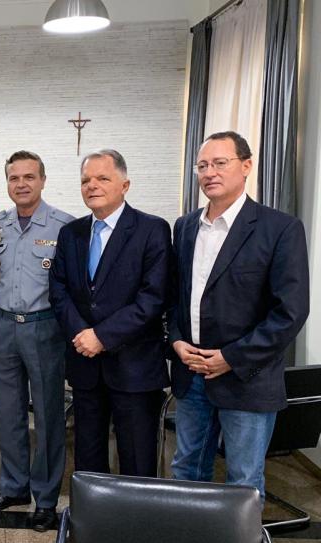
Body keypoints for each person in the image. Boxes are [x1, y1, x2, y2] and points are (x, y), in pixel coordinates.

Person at [169, 131, 309, 502]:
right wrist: (176, 340)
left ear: (246, 166)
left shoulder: (279, 228)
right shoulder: (184, 227)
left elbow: (290, 312)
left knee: (243, 482)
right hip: (191, 370)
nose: (209, 172)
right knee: (185, 471)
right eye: (202, 165)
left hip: (247, 376)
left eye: (220, 163)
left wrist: (231, 358)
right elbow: (175, 298)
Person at [49, 149, 171, 478]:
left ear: (125, 184)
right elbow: (58, 290)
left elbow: (153, 298)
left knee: (136, 457)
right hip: (85, 364)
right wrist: (82, 336)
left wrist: (101, 336)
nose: (92, 185)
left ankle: (136, 527)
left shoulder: (152, 229)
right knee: (88, 455)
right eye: (86, 180)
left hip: (134, 366)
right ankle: (93, 523)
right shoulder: (71, 233)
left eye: (103, 178)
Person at [0, 151, 73, 532]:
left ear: (43, 180)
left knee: (48, 415)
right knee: (8, 412)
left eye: (29, 177)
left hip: (44, 327)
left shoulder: (64, 226)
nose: (22, 184)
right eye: (14, 178)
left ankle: (45, 498)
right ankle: (13, 487)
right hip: (3, 327)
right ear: (7, 183)